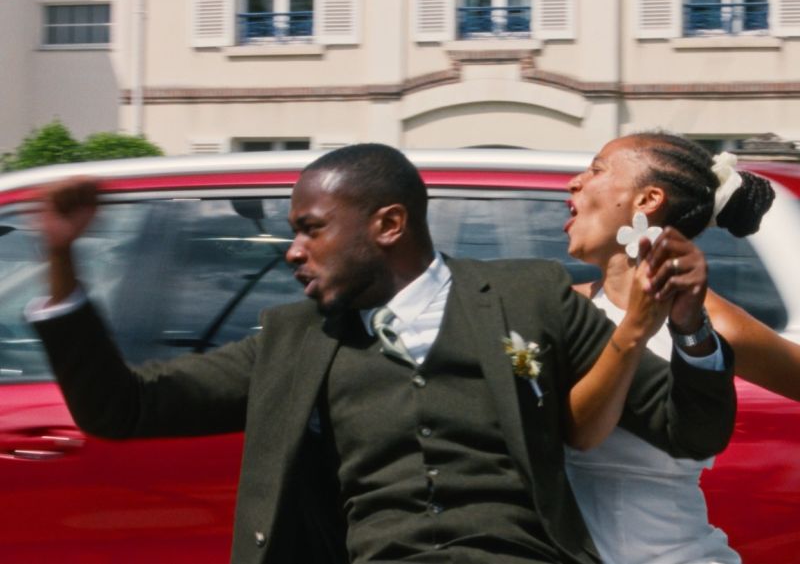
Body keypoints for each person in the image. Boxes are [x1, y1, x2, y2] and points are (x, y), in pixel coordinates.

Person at [29, 143, 735, 564]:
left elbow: (690, 428)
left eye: (311, 229)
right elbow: (122, 407)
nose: (292, 251)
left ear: (389, 224)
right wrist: (61, 262)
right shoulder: (294, 341)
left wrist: (690, 327)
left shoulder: (529, 297)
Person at [562, 131, 800, 564]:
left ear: (647, 200)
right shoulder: (560, 306)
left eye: (596, 170)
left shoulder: (710, 320)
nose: (574, 182)